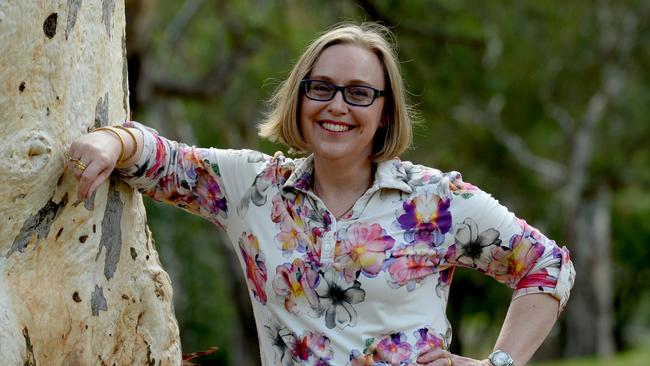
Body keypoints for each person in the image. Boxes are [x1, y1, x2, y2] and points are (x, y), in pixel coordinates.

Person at [66, 23, 575, 366]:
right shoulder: (254, 188)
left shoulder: (436, 202)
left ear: (385, 113)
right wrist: (112, 140)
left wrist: (498, 363)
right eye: (322, 87)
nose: (337, 106)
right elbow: (164, 160)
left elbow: (548, 267)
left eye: (359, 93)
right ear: (300, 95)